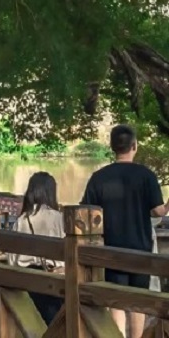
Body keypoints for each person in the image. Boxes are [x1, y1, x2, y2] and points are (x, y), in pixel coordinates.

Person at [81, 125, 167, 338]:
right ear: (134, 146)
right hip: (141, 250)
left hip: (110, 250)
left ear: (112, 147)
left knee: (116, 302)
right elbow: (157, 212)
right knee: (138, 302)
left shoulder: (98, 177)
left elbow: (85, 213)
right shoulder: (146, 176)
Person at [11, 171, 65, 326]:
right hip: (55, 282)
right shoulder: (60, 219)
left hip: (27, 284)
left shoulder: (21, 221)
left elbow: (12, 259)